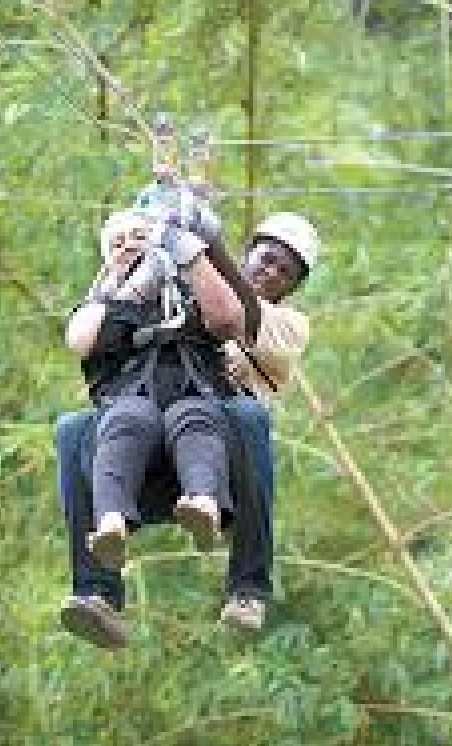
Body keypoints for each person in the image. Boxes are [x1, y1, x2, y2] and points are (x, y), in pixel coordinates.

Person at [56, 204, 317, 647]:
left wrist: (198, 242)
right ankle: (97, 591)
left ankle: (248, 589)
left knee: (248, 417)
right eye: (266, 258)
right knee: (74, 429)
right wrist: (132, 260)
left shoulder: (285, 326)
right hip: (146, 454)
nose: (271, 272)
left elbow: (233, 316)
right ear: (248, 252)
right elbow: (88, 336)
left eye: (284, 271)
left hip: (218, 459)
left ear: (292, 287)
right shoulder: (181, 287)